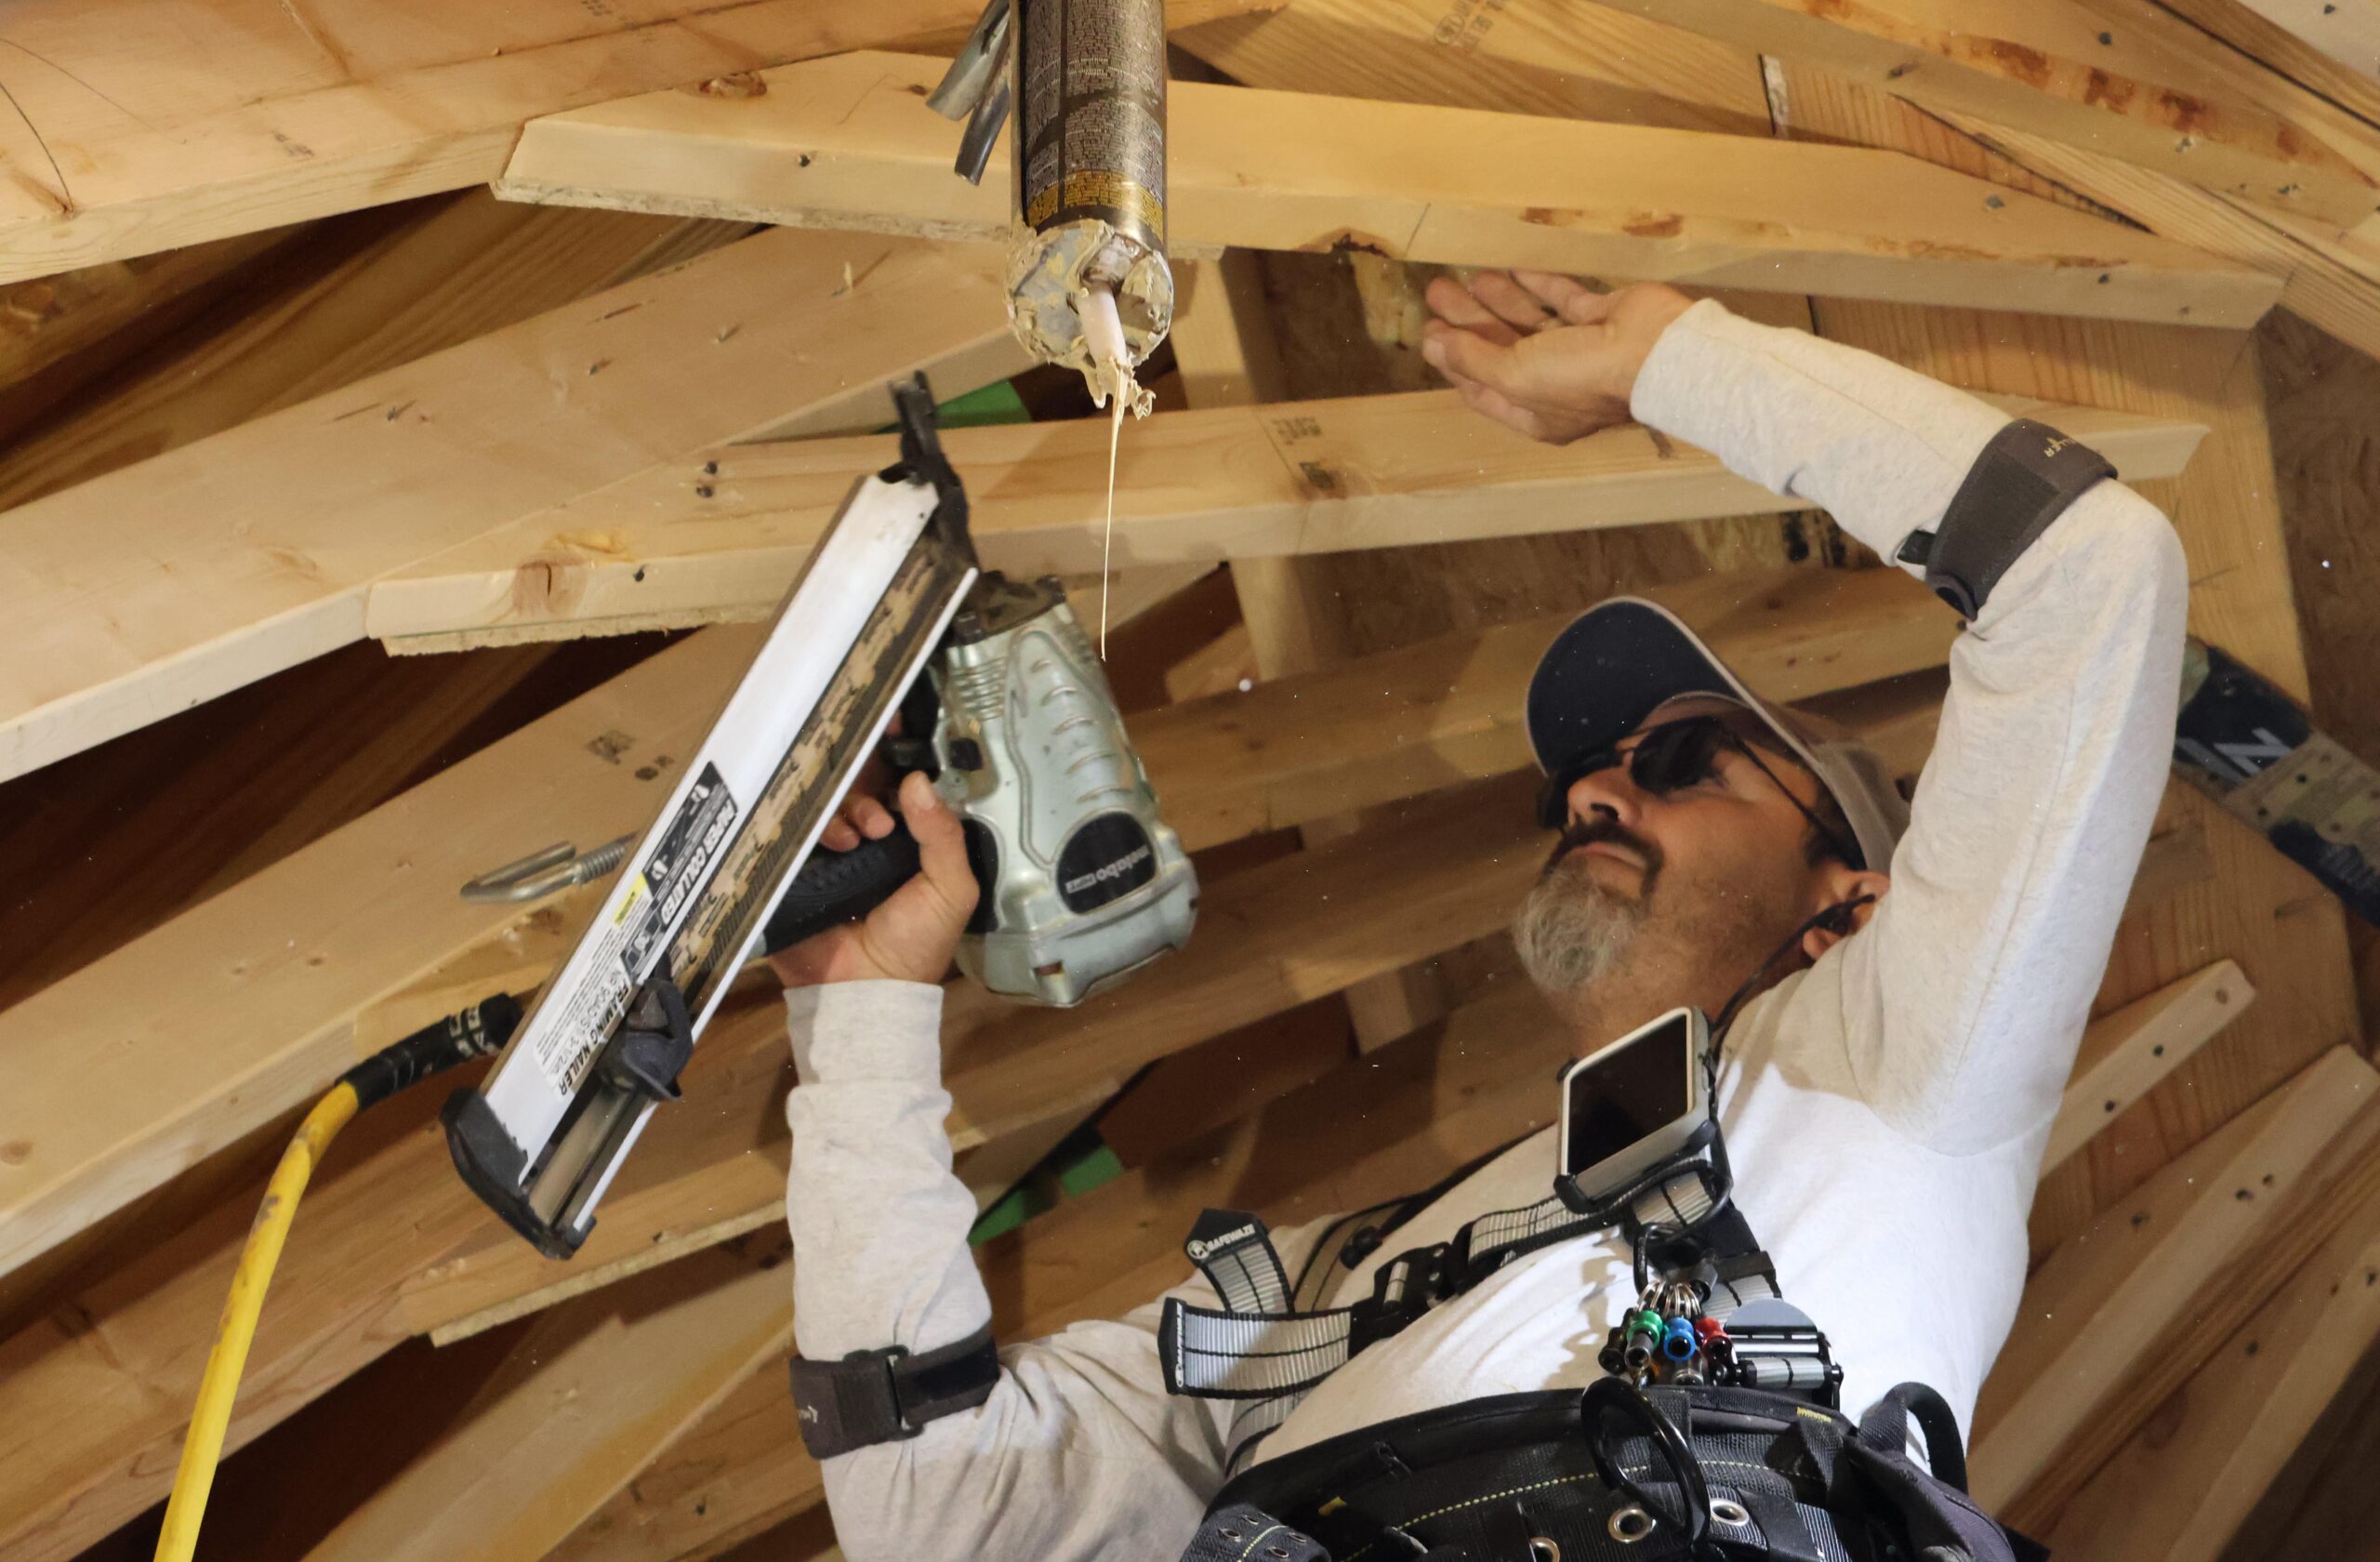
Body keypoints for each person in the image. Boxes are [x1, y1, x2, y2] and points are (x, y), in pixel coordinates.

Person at [769, 271, 2187, 1560]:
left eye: (1684, 761)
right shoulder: (1340, 1286)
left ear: (1854, 902)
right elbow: (943, 1506)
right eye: (1576, 784)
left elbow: (2089, 570)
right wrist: (862, 1011)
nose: (1595, 794)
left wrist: (1668, 363)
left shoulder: (1905, 1080)